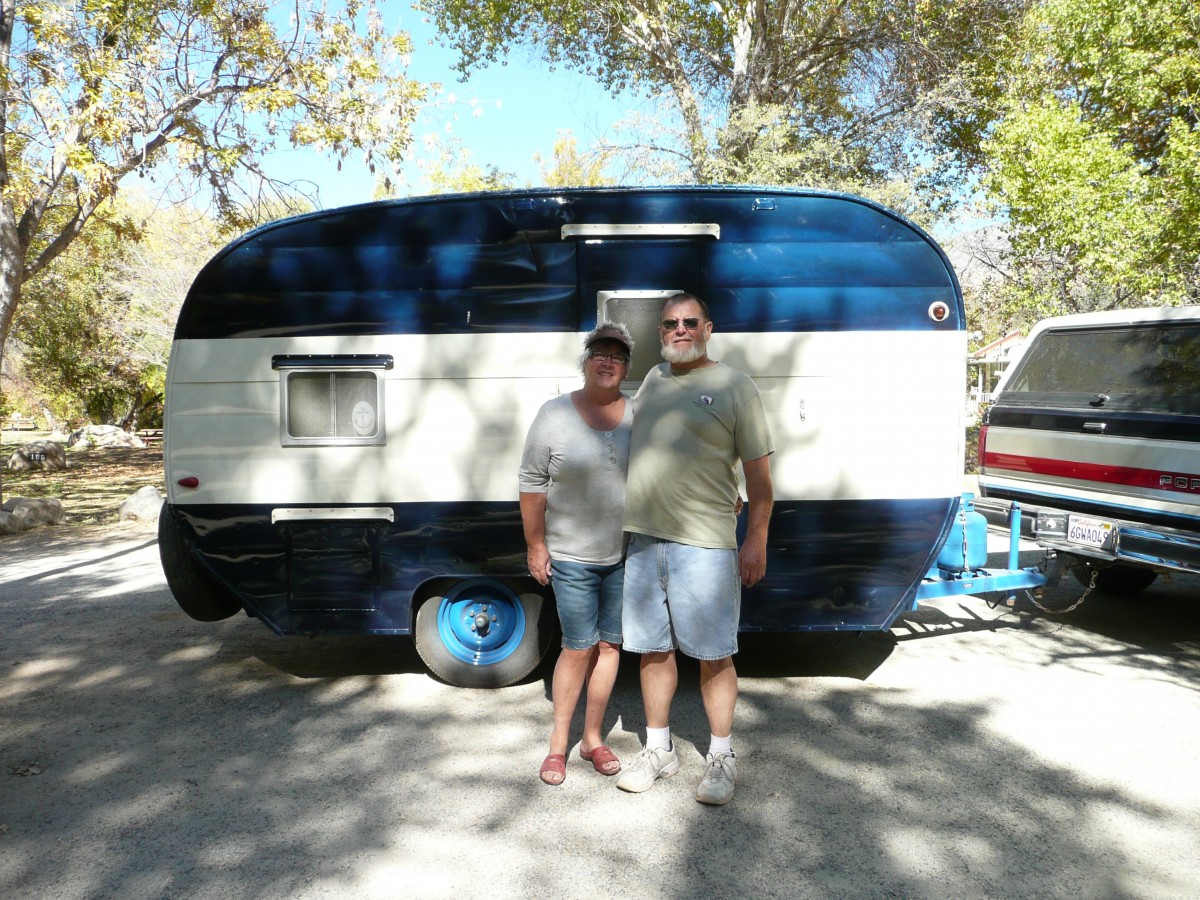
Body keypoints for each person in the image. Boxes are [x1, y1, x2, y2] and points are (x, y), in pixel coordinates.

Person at [615, 292, 774, 805]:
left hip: (705, 546)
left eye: (689, 323)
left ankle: (722, 756)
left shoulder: (736, 387)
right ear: (660, 333)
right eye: (669, 325)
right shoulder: (655, 381)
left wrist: (755, 540)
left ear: (708, 328)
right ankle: (658, 749)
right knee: (652, 650)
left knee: (714, 655)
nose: (678, 331)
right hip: (644, 540)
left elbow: (761, 483)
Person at [518, 322, 636, 786]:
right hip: (570, 558)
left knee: (610, 646)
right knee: (577, 647)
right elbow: (531, 483)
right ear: (586, 362)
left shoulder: (638, 414)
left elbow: (678, 461)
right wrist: (535, 545)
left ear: (626, 367)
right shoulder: (554, 414)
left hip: (626, 555)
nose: (607, 361)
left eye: (617, 356)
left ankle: (591, 738)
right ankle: (557, 746)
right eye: (599, 354)